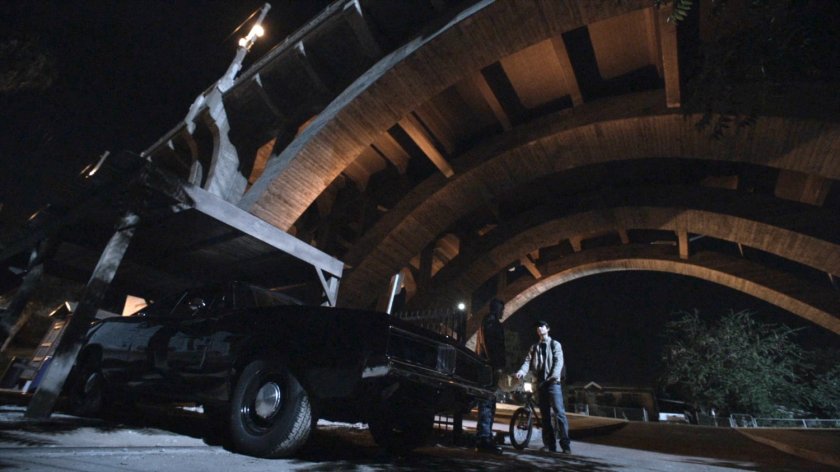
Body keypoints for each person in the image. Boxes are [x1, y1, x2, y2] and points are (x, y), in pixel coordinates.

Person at [515, 320, 571, 454]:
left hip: (552, 383)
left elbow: (558, 361)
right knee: (545, 415)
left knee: (559, 413)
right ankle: (550, 444)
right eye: (537, 327)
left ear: (548, 328)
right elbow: (527, 361)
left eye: (542, 326)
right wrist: (521, 371)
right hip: (540, 383)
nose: (539, 328)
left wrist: (553, 377)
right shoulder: (534, 347)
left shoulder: (555, 344)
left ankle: (565, 445)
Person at [474, 298, 506, 455]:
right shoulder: (491, 322)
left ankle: (485, 436)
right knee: (487, 402)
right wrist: (495, 365)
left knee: (488, 402)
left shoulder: (487, 321)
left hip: (487, 366)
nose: (502, 312)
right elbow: (490, 345)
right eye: (501, 309)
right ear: (496, 309)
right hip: (489, 368)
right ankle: (484, 439)